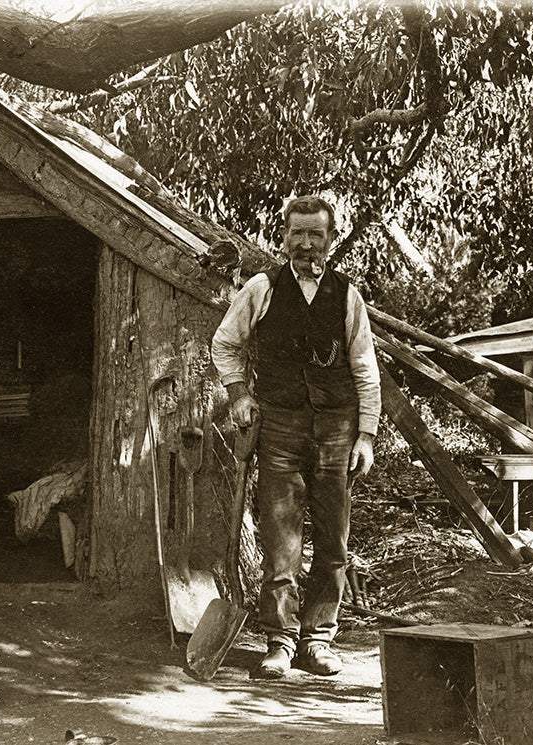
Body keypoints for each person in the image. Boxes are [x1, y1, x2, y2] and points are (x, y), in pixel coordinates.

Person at [210, 195, 380, 678]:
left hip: (336, 432)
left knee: (334, 540)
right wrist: (239, 395)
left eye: (316, 234)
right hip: (279, 427)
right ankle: (281, 641)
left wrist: (365, 436)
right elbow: (225, 343)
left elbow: (366, 370)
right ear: (283, 237)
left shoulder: (347, 296)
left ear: (331, 238)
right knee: (280, 540)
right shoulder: (262, 288)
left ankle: (318, 639)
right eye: (298, 234)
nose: (307, 244)